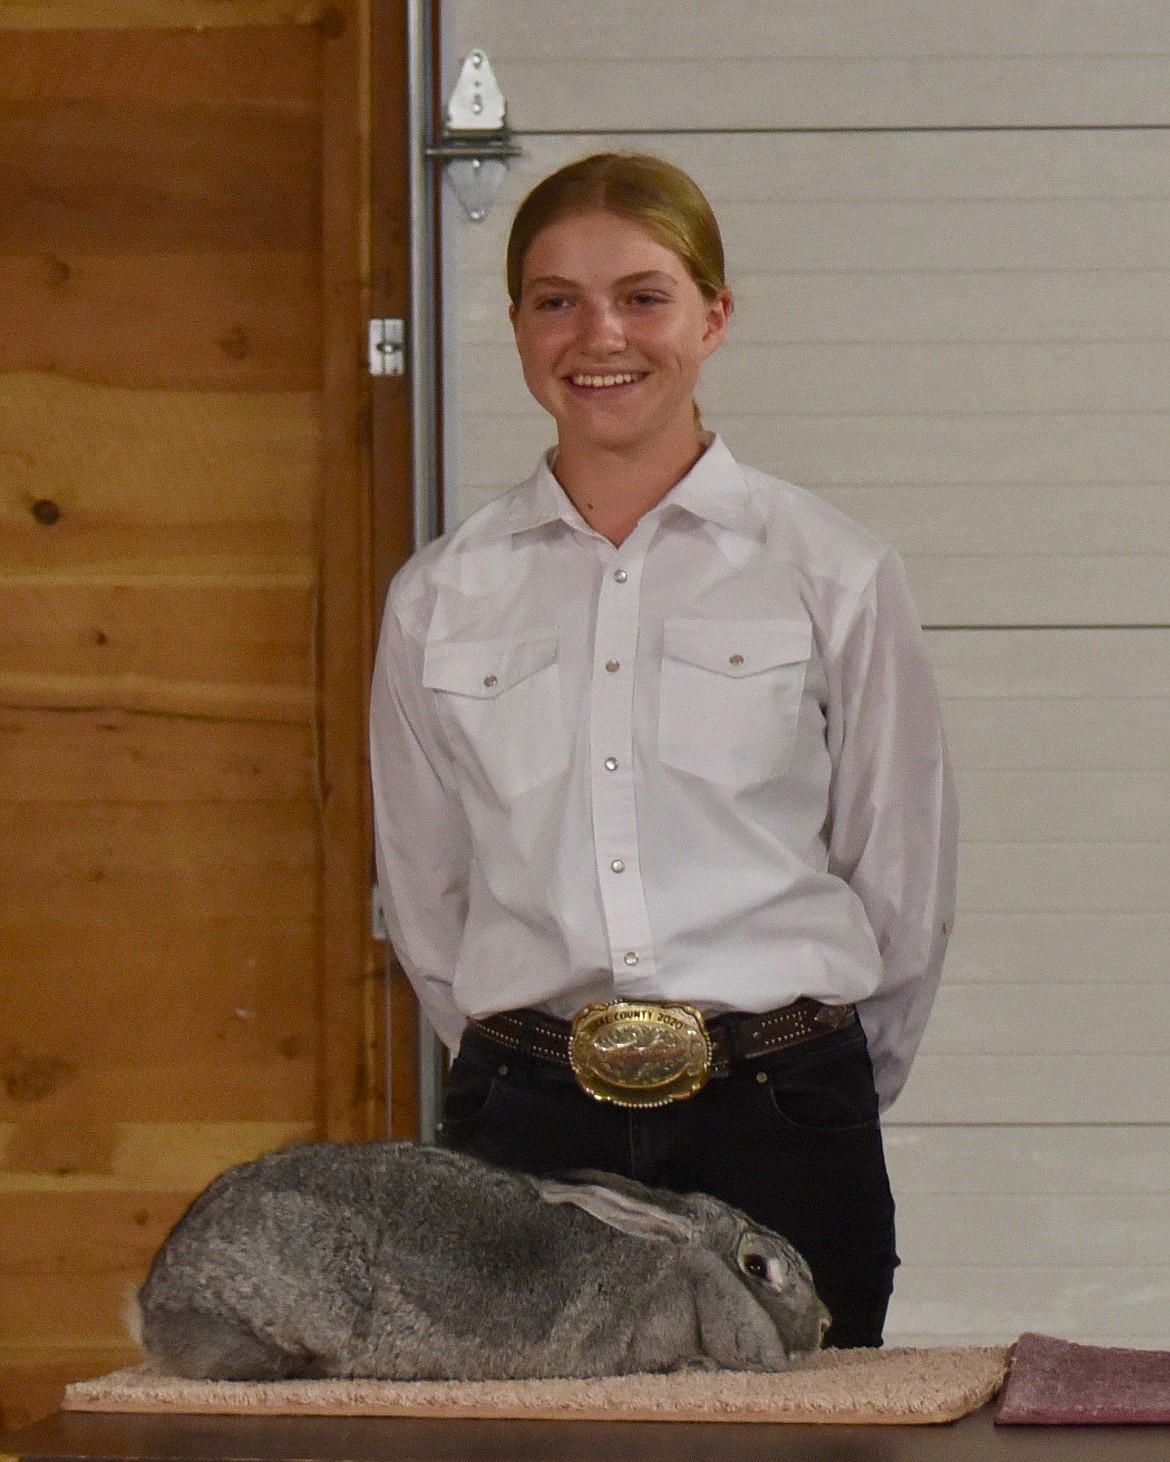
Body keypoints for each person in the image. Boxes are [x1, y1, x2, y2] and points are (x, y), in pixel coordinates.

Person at [370, 153, 957, 1349]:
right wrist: (525, 1069)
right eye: (555, 299)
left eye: (643, 295)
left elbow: (904, 874)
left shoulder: (832, 571)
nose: (600, 335)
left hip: (781, 1116)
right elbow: (429, 902)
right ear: (521, 324)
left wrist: (823, 1092)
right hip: (525, 1134)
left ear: (713, 317)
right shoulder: (440, 597)